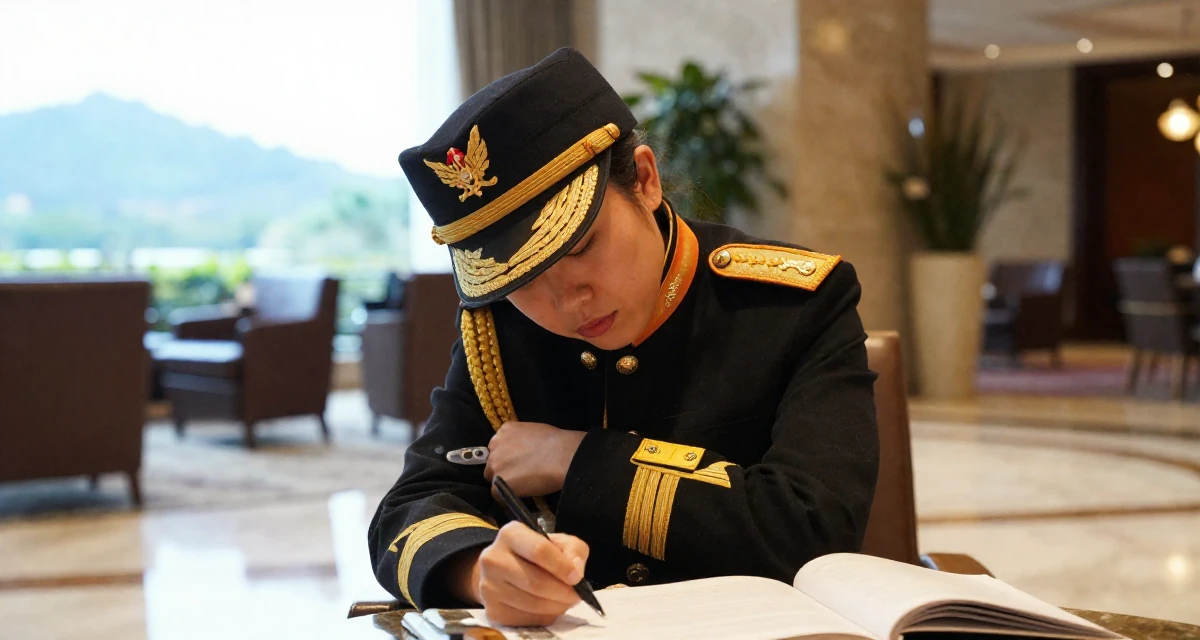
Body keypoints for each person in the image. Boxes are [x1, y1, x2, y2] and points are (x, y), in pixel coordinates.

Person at [369, 47, 879, 627]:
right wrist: (480, 570)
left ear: (644, 178)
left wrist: (579, 460)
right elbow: (409, 509)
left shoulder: (790, 304)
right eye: (523, 280)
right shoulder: (501, 328)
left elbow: (815, 530)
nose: (566, 303)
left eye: (581, 247)